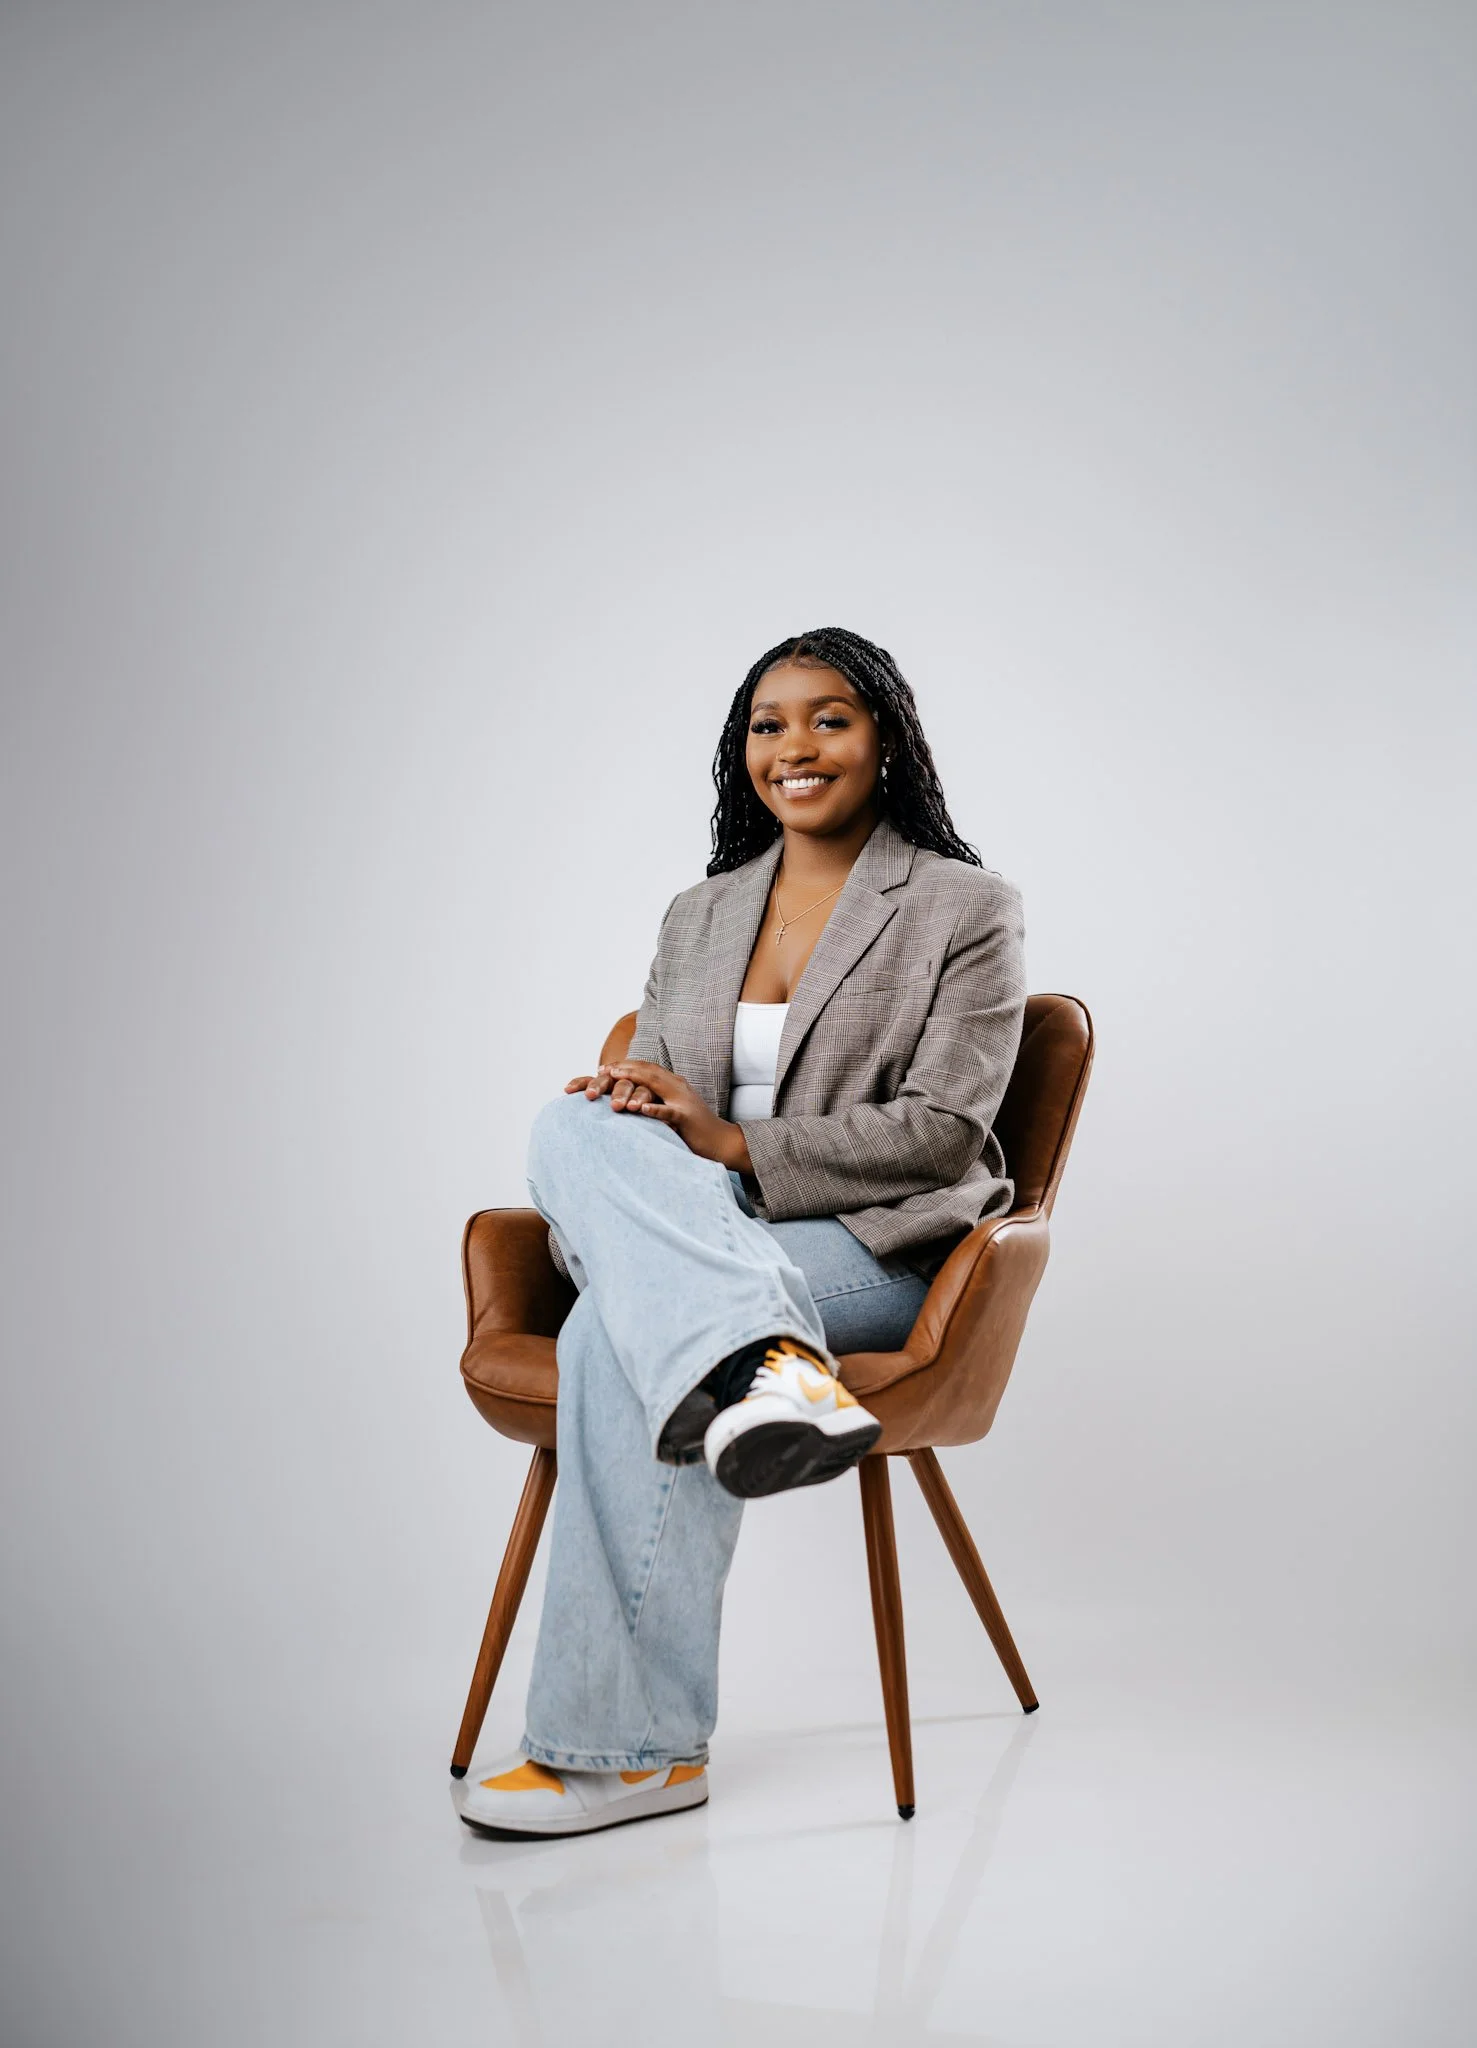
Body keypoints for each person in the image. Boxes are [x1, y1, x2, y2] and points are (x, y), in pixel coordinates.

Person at [460, 626, 1026, 1840]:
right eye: (768, 724)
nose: (796, 746)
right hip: (703, 1238)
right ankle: (763, 1361)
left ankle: (630, 1753)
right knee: (571, 1122)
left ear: (886, 736)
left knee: (621, 1331)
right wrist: (647, 1112)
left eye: (830, 717)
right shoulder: (698, 913)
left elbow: (942, 1130)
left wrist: (732, 1145)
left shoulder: (961, 906)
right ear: (742, 751)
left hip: (876, 1250)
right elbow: (647, 1101)